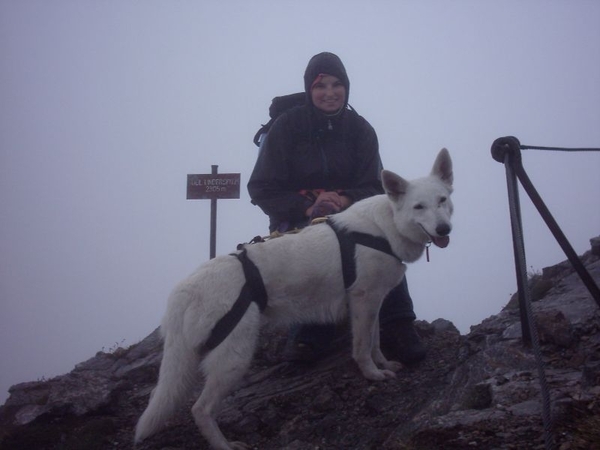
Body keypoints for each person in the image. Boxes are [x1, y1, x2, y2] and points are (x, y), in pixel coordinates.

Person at [247, 51, 426, 364]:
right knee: (312, 252)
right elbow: (261, 187)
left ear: (346, 86)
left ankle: (398, 324)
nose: (329, 92)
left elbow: (375, 186)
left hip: (352, 215)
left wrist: (342, 200)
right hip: (299, 218)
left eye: (336, 84)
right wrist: (308, 206)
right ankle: (309, 335)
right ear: (309, 90)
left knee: (388, 241)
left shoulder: (361, 130)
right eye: (320, 86)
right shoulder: (286, 128)